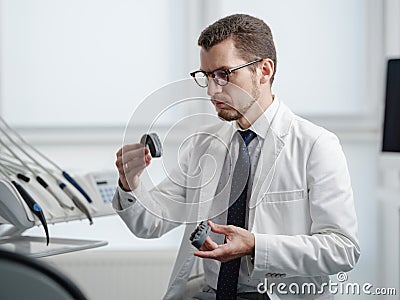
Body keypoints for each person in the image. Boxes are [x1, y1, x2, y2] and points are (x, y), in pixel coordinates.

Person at [113, 14, 360, 300]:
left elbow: (343, 249)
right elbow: (150, 223)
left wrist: (256, 246)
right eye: (206, 76)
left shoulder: (317, 145)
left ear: (264, 70)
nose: (212, 90)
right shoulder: (203, 146)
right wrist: (130, 182)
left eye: (224, 74)